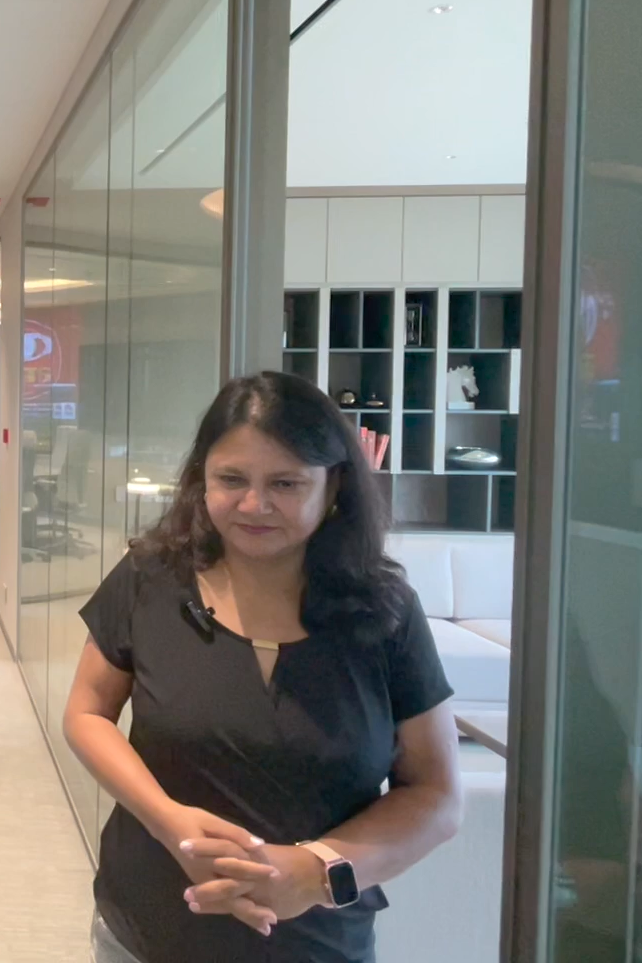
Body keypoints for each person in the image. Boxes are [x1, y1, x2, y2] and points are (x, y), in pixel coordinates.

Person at [64, 371, 462, 963]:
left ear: (333, 486)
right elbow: (87, 713)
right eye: (231, 479)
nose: (254, 505)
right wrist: (169, 821)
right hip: (146, 930)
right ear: (201, 478)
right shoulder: (150, 578)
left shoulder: (385, 612)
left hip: (320, 943)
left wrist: (316, 869)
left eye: (285, 483)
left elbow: (436, 794)